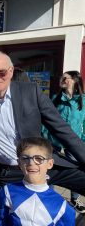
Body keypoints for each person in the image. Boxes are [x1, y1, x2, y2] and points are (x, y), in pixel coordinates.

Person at [0, 50, 85, 195]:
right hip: (10, 173)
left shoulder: (31, 92)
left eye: (1, 72)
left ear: (11, 71)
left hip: (43, 164)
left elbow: (61, 130)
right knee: (13, 216)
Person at [0, 137, 75, 225]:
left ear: (50, 164)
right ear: (19, 163)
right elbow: (1, 221)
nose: (31, 163)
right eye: (25, 158)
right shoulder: (6, 192)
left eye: (39, 158)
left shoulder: (62, 207)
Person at [43, 70, 85, 213]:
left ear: (73, 80)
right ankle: (50, 197)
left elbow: (84, 123)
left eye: (65, 78)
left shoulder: (83, 101)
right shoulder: (56, 98)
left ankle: (74, 198)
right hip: (53, 141)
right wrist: (44, 137)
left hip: (74, 142)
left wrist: (83, 141)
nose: (62, 79)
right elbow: (46, 120)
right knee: (51, 168)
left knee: (77, 170)